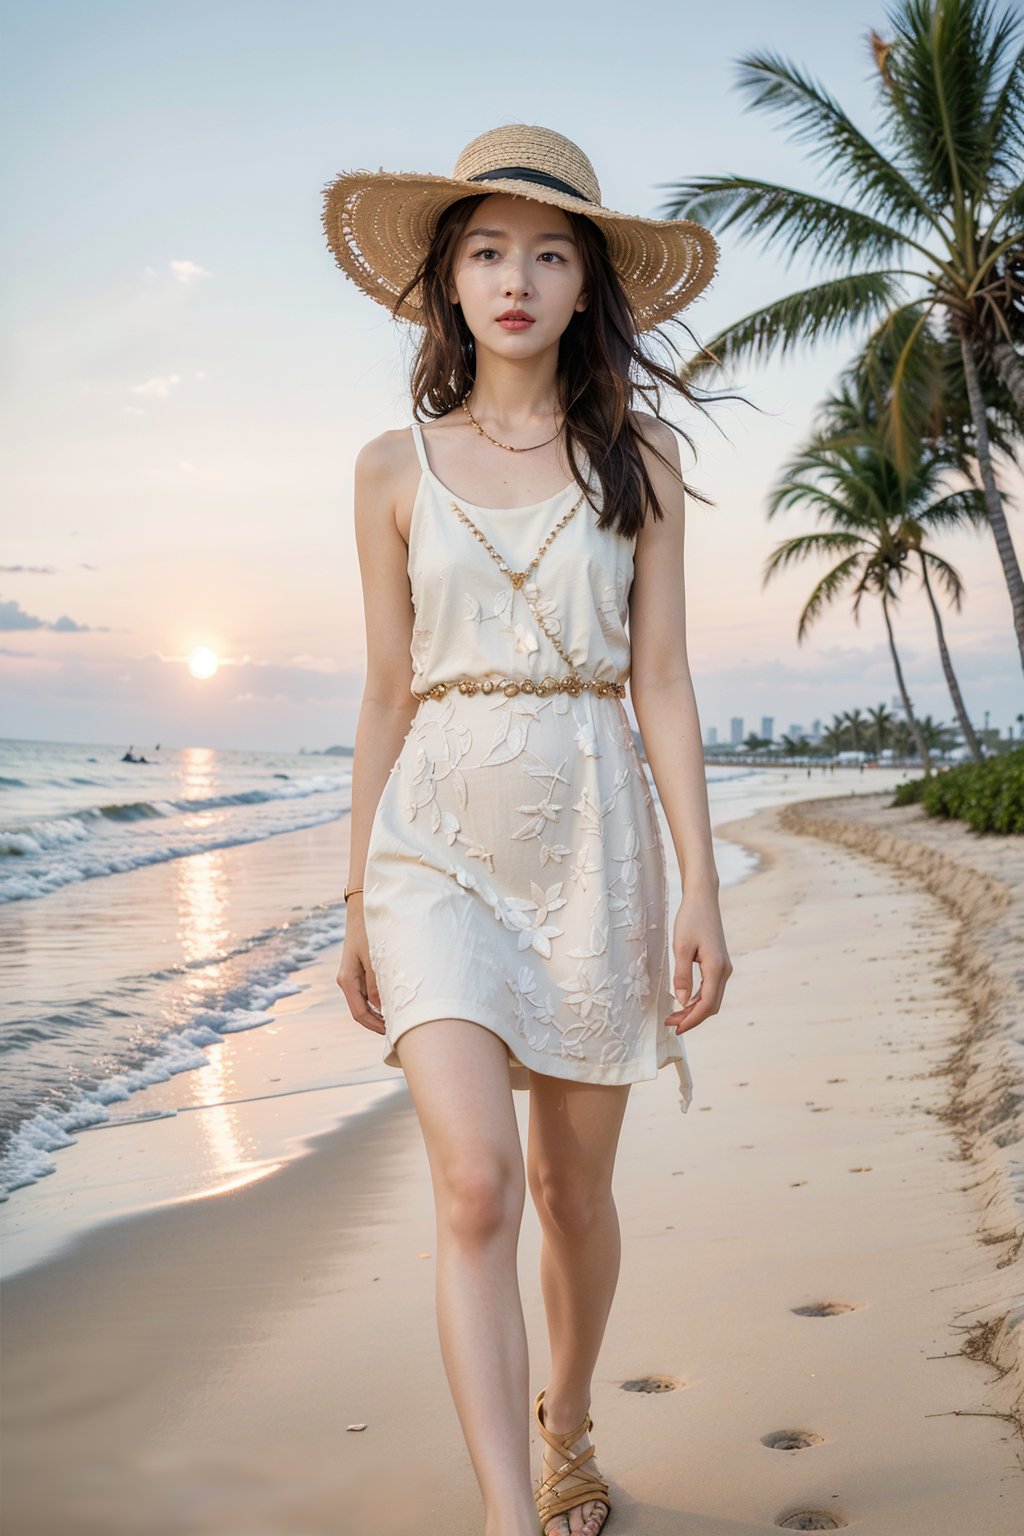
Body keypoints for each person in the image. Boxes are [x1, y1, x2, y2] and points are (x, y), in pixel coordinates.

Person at [325, 124, 734, 1536]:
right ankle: (512, 1512)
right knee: (479, 1185)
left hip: (593, 850)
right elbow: (386, 689)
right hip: (432, 846)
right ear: (447, 281)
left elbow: (663, 682)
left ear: (585, 287)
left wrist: (700, 887)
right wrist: (351, 894)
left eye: (549, 254)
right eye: (489, 251)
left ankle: (568, 1420)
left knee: (570, 1195)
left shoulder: (645, 459)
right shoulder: (390, 469)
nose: (516, 278)